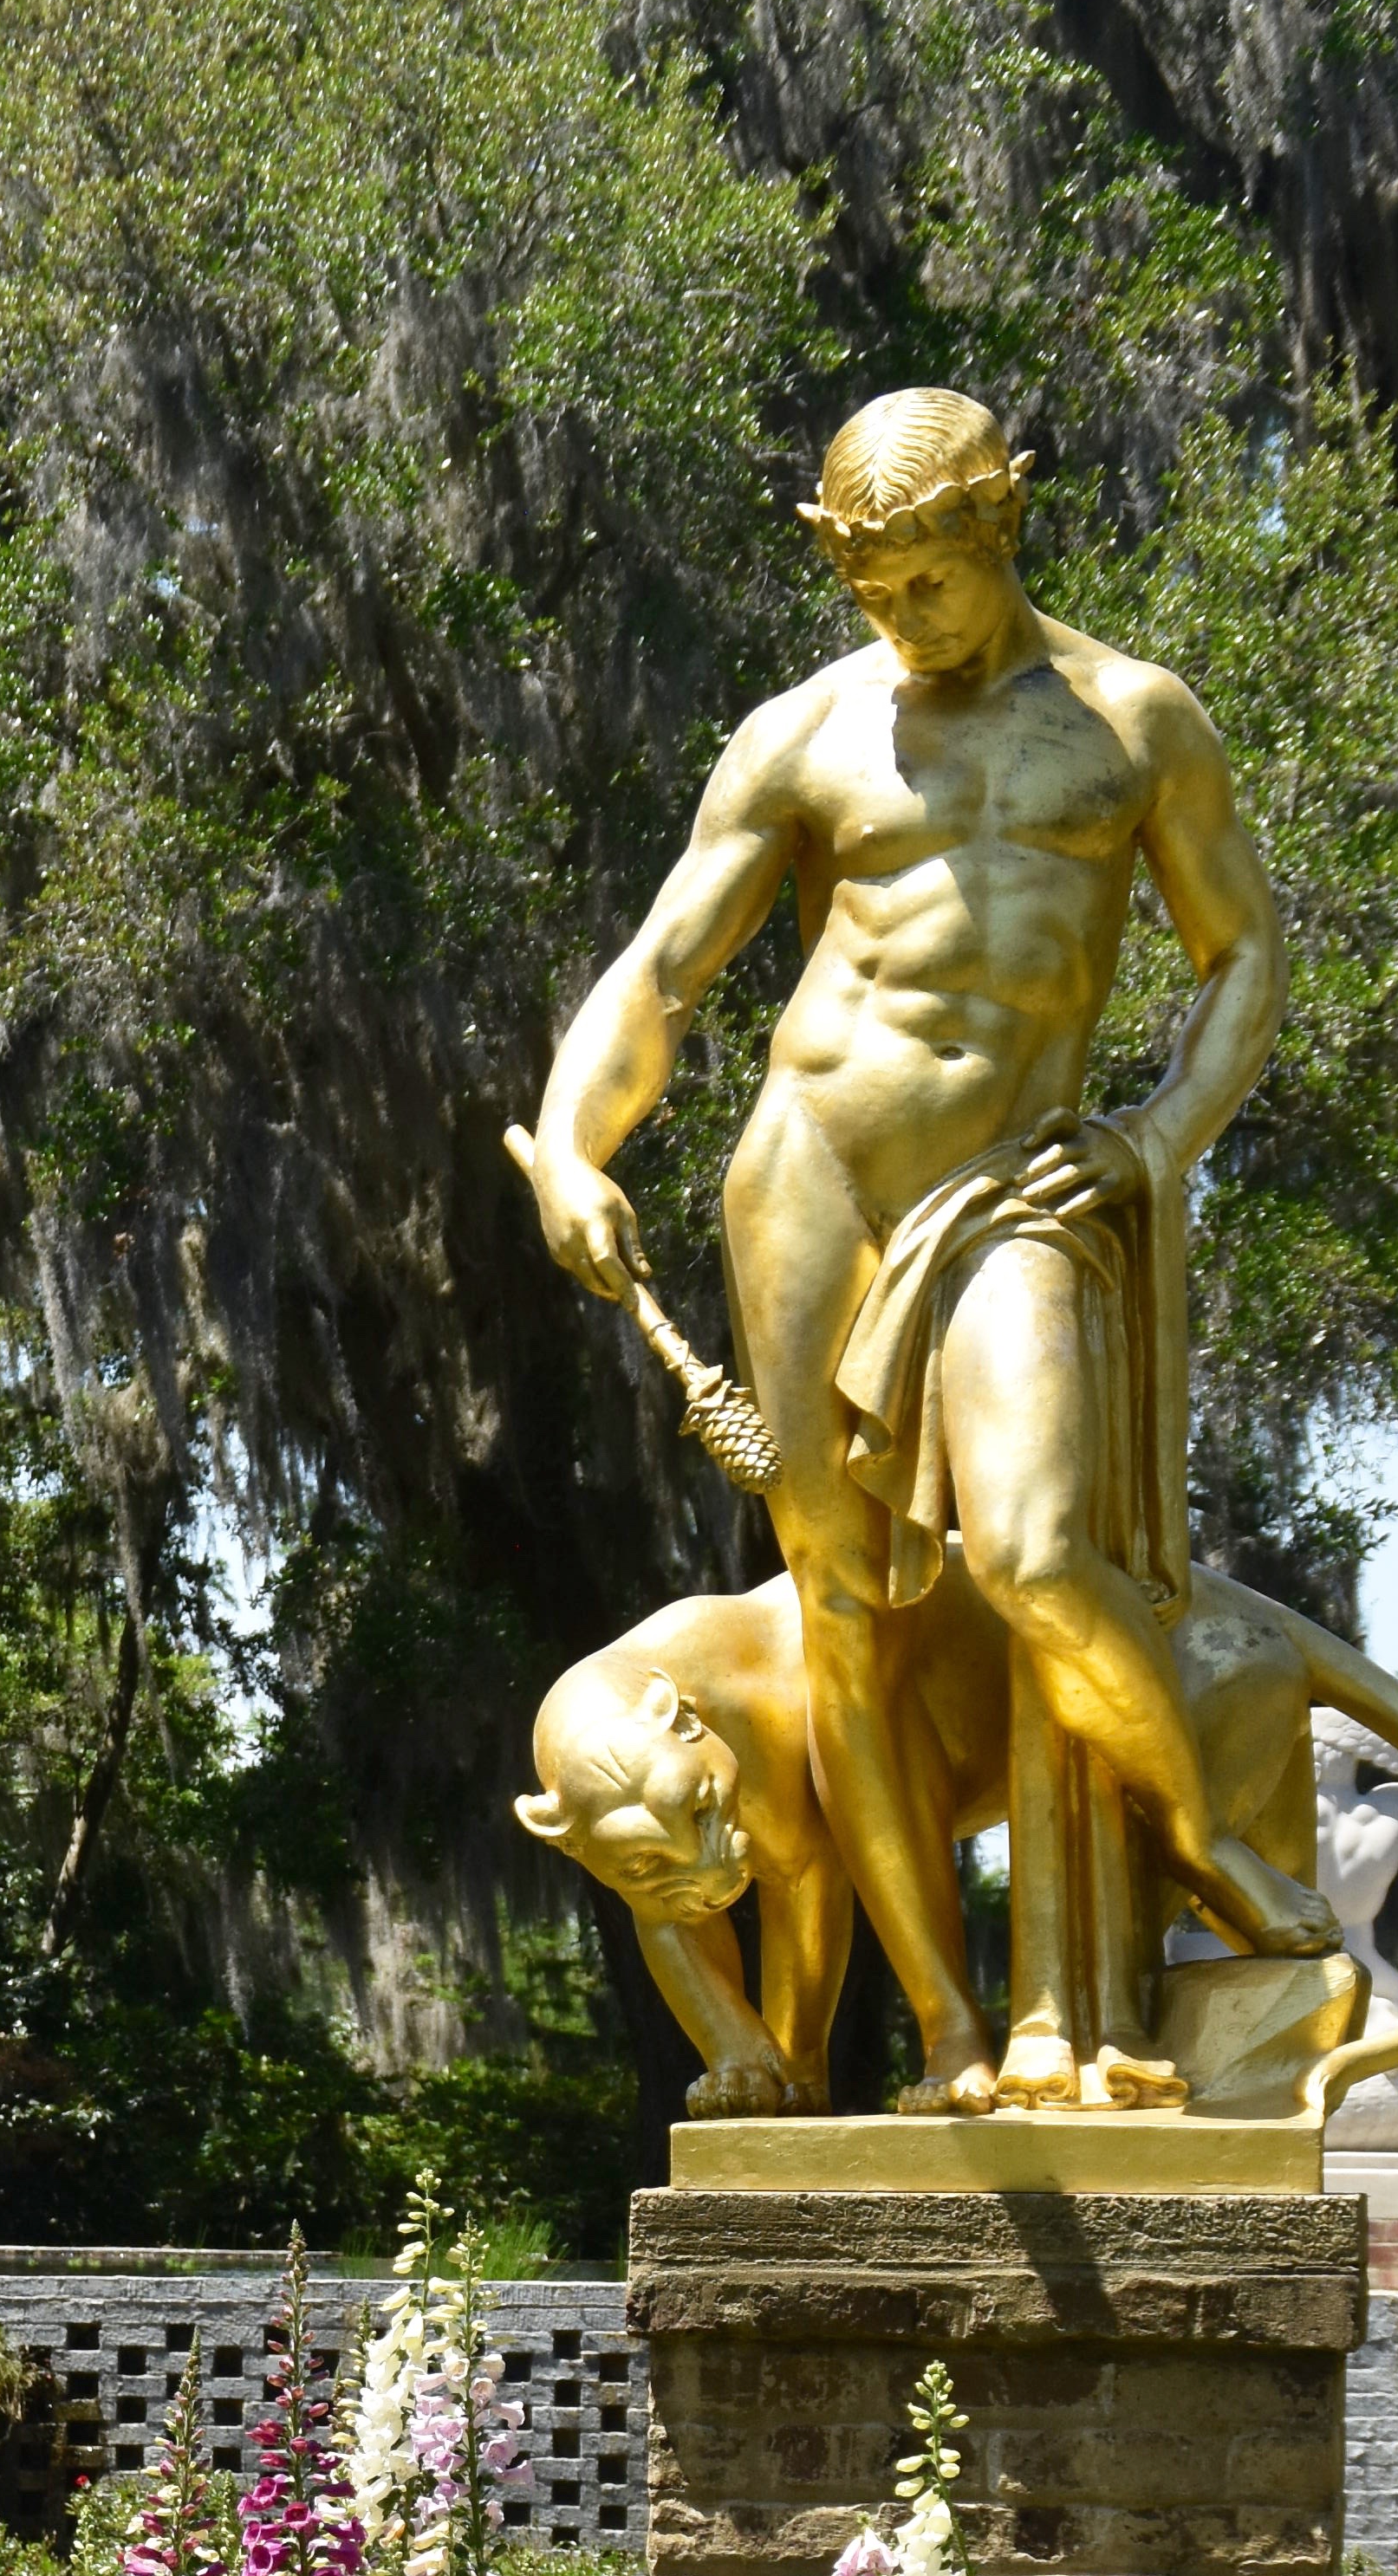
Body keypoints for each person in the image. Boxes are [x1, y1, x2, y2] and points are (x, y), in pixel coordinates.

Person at [513, 384, 1339, 2112]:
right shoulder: (805, 733)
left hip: (1019, 1191)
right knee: (846, 1633)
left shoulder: (1132, 721)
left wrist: (1149, 1141)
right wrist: (574, 1145)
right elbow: (663, 972)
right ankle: (954, 2041)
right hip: (809, 1177)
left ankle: (1190, 1839)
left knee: (1037, 1559)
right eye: (870, 590)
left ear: (996, 528)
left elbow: (1239, 959)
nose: (903, 619)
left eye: (928, 583)